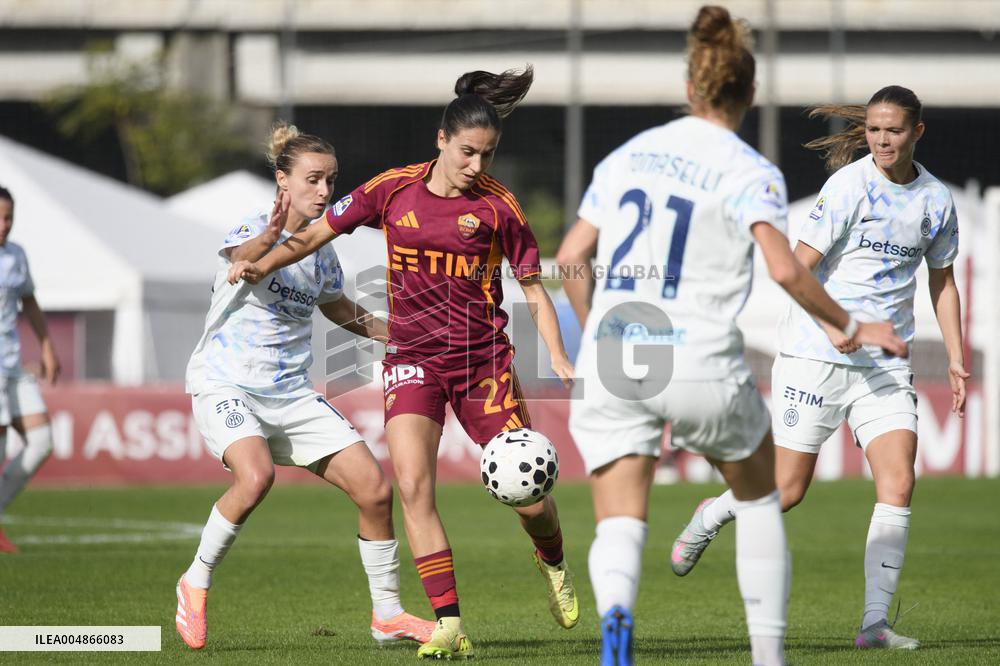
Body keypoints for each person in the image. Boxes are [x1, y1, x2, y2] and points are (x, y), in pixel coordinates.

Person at [556, 7, 908, 666]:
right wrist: (853, 327)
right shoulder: (749, 169)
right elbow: (783, 268)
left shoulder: (627, 155)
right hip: (698, 354)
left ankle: (618, 621)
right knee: (760, 499)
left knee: (621, 517)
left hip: (619, 348)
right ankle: (767, 656)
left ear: (690, 88)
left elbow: (572, 256)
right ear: (748, 94)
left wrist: (600, 324)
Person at [228, 67, 580, 660]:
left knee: (530, 497)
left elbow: (535, 290)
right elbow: (318, 233)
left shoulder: (501, 209)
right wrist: (262, 264)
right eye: (468, 152)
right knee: (413, 484)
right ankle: (449, 622)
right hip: (413, 358)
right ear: (441, 141)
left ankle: (553, 561)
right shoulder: (393, 189)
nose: (477, 166)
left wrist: (559, 356)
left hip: (483, 362)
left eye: (487, 155)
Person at [670, 84, 965, 651]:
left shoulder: (935, 200)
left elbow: (942, 280)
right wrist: (835, 325)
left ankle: (874, 625)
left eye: (894, 130)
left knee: (899, 482)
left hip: (883, 363)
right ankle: (712, 515)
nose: (882, 139)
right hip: (814, 357)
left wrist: (953, 356)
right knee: (786, 490)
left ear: (916, 133)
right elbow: (798, 268)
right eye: (875, 129)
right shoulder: (849, 187)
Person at [175, 124, 434, 650]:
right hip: (227, 384)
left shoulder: (323, 249)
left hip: (291, 394)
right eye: (313, 180)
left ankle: (387, 616)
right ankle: (194, 581)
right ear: (282, 182)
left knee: (375, 491)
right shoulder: (251, 227)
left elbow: (337, 306)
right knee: (255, 477)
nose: (324, 192)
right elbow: (244, 258)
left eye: (330, 181)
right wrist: (267, 242)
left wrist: (398, 335)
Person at [0, 185, 61, 554]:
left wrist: (47, 346)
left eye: (8, 218)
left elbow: (29, 301)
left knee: (41, 442)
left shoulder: (16, 255)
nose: (3, 225)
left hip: (13, 362)